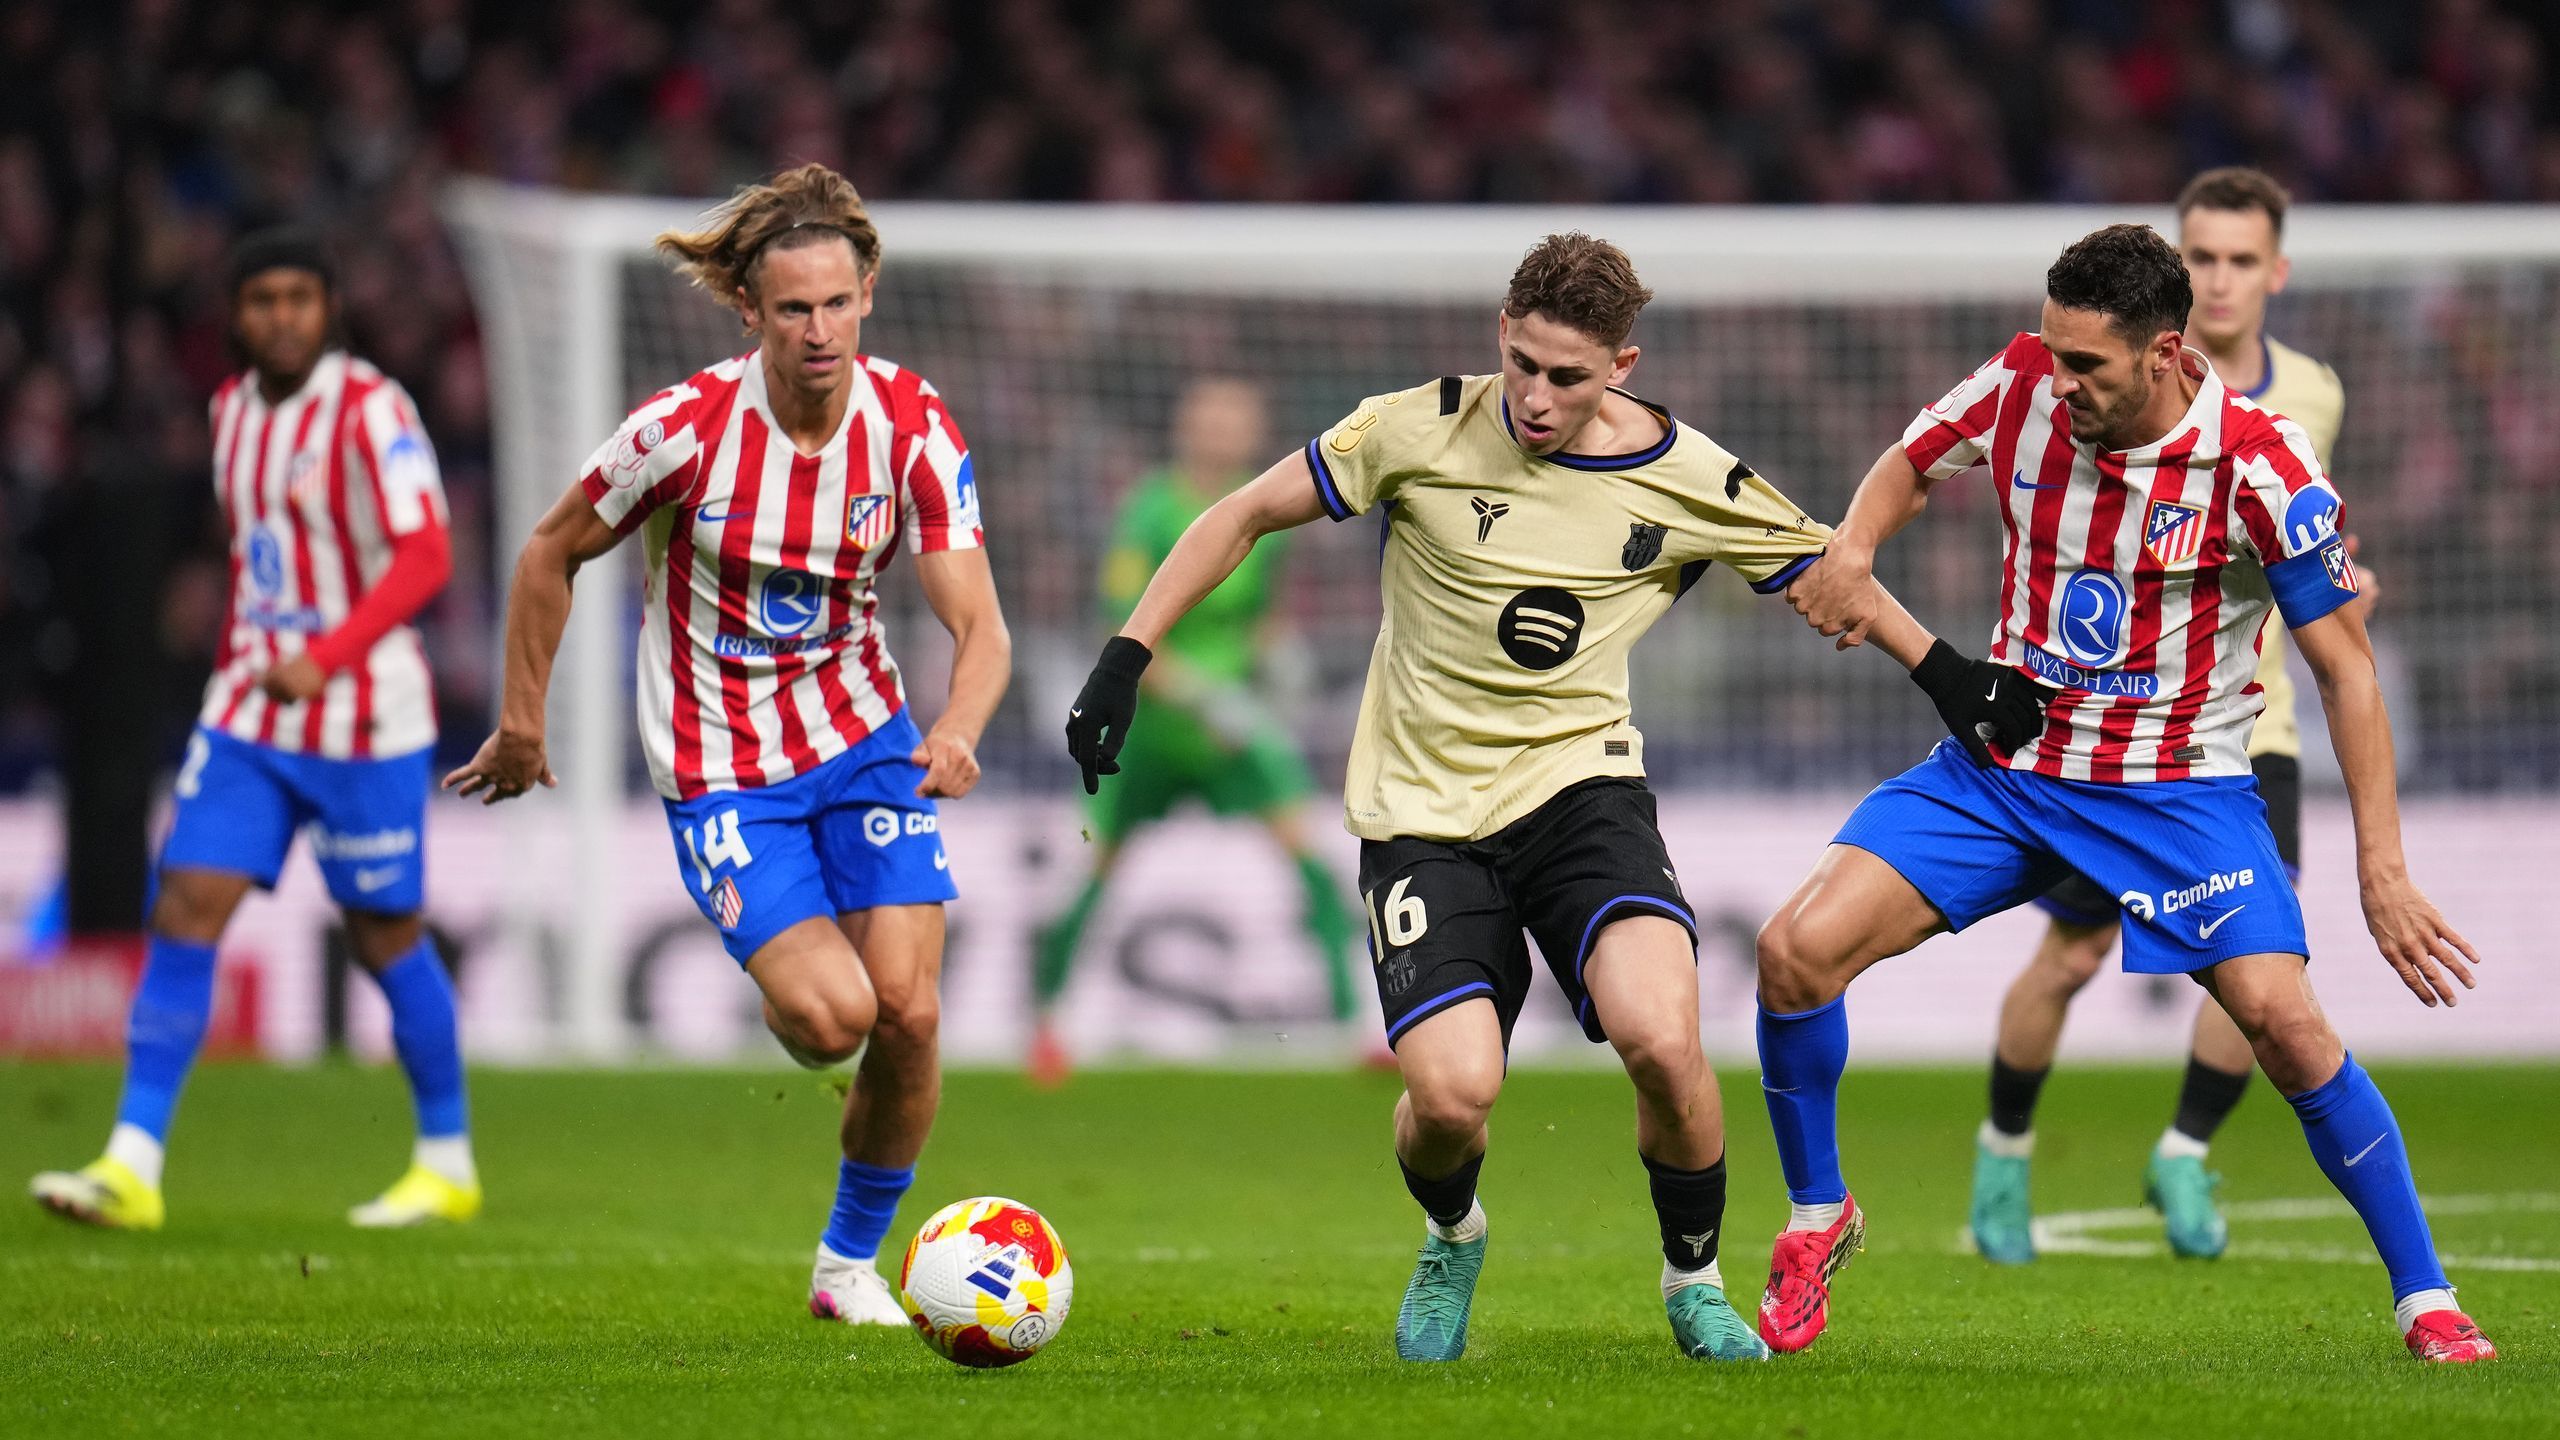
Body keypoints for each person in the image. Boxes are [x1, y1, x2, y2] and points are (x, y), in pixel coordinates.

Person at [1065, 232, 2013, 1363]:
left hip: (1581, 796)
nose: (1536, 395)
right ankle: (1453, 1233)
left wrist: (1949, 679)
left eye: (1568, 375)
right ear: (1498, 337)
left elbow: (1830, 570)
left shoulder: (1686, 475)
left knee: (1663, 1041)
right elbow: (1237, 516)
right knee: (1453, 1099)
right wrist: (1125, 658)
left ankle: (1693, 1281)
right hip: (1422, 815)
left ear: (1621, 364)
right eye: (1522, 362)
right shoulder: (1412, 428)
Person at [1761, 223, 2496, 1364]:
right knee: (1792, 953)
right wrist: (1853, 548)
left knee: (2285, 1026)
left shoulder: (2260, 461)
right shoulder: (2018, 385)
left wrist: (2381, 870)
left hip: (2176, 793)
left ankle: (2425, 1297)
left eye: (2086, 365)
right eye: (2054, 354)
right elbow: (1910, 460)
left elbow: (2346, 672)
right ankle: (1818, 1218)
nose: (2061, 383)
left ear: (2162, 351)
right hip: (2004, 772)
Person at [443, 165, 1011, 1325]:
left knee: (908, 1012)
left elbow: (980, 622)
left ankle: (847, 1265)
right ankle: (789, 983)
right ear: (749, 312)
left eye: (837, 304)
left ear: (867, 299)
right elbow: (548, 552)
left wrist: (955, 729)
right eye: (793, 308)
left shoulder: (910, 422)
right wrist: (521, 719)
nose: (819, 330)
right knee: (833, 1020)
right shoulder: (681, 431)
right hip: (721, 768)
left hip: (865, 741)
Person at [30, 228, 472, 1230]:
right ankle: (131, 1164)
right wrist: (243, 641)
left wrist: (329, 653)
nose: (281, 316)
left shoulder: (373, 409)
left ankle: (446, 1159)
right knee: (186, 905)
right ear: (237, 315)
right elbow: (262, 562)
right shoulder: (229, 413)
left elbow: (426, 555)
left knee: (384, 934)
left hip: (366, 722)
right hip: (250, 714)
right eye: (262, 299)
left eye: (299, 298)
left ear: (329, 309)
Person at [1969, 168, 2363, 1266]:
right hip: (2099, 736)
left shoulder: (2308, 399)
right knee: (2068, 956)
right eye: (2203, 258)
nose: (2221, 279)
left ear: (2274, 272)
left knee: (2266, 971)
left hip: (2243, 731)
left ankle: (2184, 1151)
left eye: (2242, 259)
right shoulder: (2089, 394)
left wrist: (2344, 584)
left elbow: (2311, 541)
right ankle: (2002, 1156)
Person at [1029, 377, 1360, 1085]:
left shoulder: (1267, 504)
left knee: (1310, 857)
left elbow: (1263, 617)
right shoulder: (1149, 510)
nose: (1221, 432)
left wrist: (1278, 662)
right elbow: (1123, 623)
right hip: (1154, 727)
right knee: (1093, 868)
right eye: (1209, 418)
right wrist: (1205, 696)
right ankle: (1047, 1024)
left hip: (1234, 730)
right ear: (1185, 426)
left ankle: (1355, 1023)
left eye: (1235, 420)